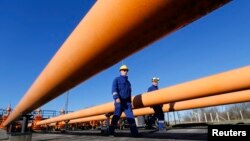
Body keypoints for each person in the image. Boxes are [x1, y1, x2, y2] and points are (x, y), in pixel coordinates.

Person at [109, 65, 139, 137]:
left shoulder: (128, 83)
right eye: (123, 70)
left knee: (131, 117)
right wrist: (116, 98)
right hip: (119, 102)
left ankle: (135, 133)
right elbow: (114, 89)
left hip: (127, 103)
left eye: (126, 70)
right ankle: (111, 132)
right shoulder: (116, 79)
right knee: (116, 117)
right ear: (120, 71)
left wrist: (130, 102)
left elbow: (129, 93)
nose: (125, 71)